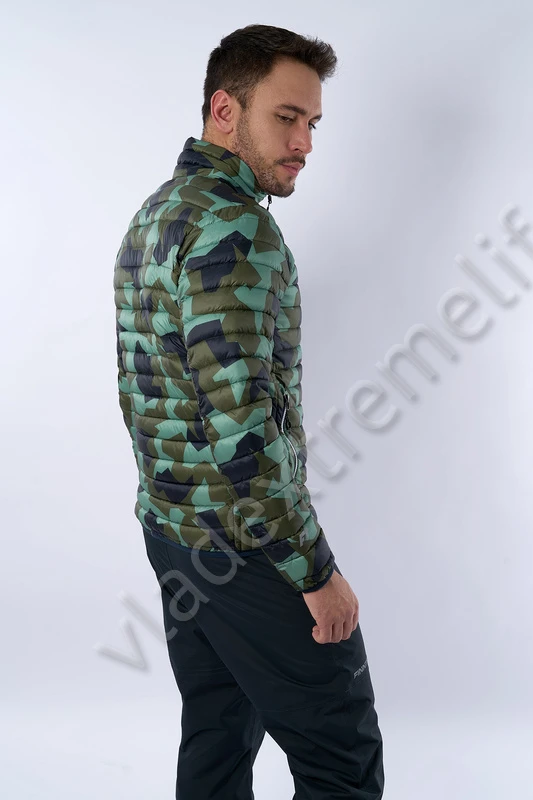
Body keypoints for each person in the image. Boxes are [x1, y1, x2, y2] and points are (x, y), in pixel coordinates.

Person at [113, 23, 385, 799]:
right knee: (340, 755)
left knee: (218, 732)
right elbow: (241, 433)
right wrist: (314, 572)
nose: (304, 143)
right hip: (243, 547)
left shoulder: (157, 212)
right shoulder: (234, 226)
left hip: (172, 532)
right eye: (286, 117)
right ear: (224, 110)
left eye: (313, 123)